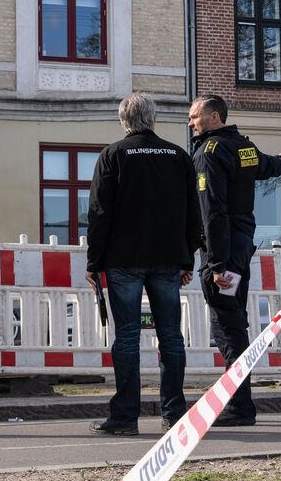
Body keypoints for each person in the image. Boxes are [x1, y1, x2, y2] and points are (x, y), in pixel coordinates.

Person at [85, 94, 201, 435]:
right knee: (170, 336)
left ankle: (124, 418)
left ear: (124, 121)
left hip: (123, 261)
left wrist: (94, 262)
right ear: (153, 119)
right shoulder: (179, 156)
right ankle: (175, 414)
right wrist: (187, 256)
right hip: (168, 259)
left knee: (127, 337)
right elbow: (193, 214)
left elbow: (99, 214)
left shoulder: (113, 155)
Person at [188, 95, 281, 429]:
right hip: (241, 246)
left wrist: (217, 264)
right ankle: (237, 400)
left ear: (214, 116)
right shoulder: (242, 146)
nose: (191, 122)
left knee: (228, 326)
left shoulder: (210, 153)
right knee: (233, 321)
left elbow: (213, 212)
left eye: (195, 116)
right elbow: (266, 166)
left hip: (223, 251)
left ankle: (239, 405)